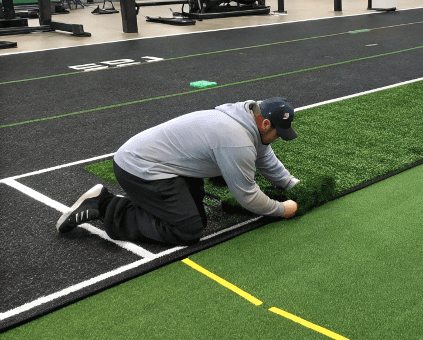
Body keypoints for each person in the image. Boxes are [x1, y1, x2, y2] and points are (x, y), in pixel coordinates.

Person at [56, 97, 300, 245]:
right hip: (139, 167)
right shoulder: (236, 139)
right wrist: (281, 210)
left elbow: (264, 156)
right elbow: (247, 196)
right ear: (266, 123)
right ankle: (104, 205)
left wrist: (290, 184)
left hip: (167, 165)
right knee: (187, 230)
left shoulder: (248, 118)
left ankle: (149, 204)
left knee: (196, 217)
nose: (278, 139)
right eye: (278, 133)